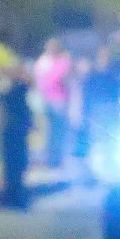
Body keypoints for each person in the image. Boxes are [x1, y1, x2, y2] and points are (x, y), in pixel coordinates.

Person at [32, 37, 75, 168]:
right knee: (46, 130)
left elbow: (68, 79)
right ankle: (48, 158)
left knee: (59, 130)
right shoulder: (43, 62)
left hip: (60, 100)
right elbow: (37, 80)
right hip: (45, 100)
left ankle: (59, 158)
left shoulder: (64, 61)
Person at [0, 61, 34, 210]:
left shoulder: (18, 88)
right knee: (14, 164)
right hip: (13, 130)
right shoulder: (12, 88)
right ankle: (13, 195)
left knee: (16, 164)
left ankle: (14, 195)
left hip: (15, 130)